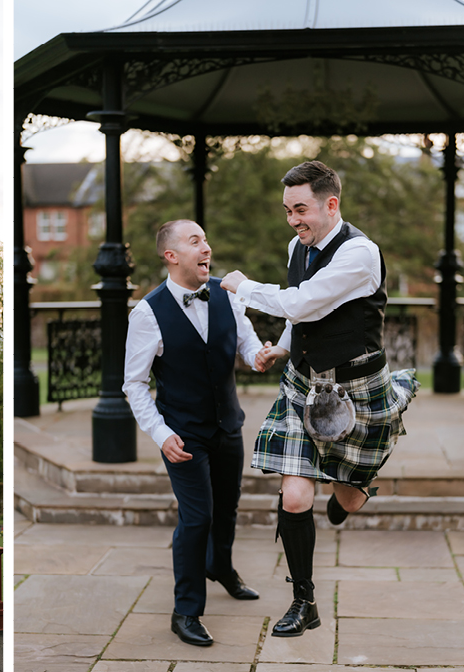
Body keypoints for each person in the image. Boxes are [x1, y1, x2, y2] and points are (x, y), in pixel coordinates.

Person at [221, 160, 419, 638]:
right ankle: (303, 601)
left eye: (301, 209)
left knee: (348, 500)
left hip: (357, 389)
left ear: (331, 204)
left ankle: (347, 495)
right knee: (294, 496)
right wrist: (283, 347)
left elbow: (302, 301)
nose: (293, 220)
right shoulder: (299, 245)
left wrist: (242, 287)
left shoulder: (361, 254)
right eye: (288, 210)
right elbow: (302, 313)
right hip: (303, 385)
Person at [123, 219, 274, 647]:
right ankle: (185, 610)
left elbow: (245, 343)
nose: (206, 247)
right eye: (195, 242)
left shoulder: (226, 291)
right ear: (171, 256)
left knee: (227, 507)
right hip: (182, 436)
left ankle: (221, 567)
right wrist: (160, 434)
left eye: (205, 240)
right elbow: (134, 384)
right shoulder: (148, 313)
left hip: (229, 424)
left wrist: (259, 355)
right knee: (197, 517)